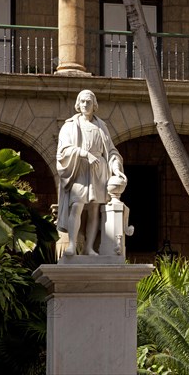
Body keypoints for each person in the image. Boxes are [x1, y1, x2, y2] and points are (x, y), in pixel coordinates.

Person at [56, 89, 126, 256]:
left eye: (88, 102)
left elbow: (111, 151)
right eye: (82, 102)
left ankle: (89, 248)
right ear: (78, 105)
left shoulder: (101, 126)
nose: (85, 104)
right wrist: (84, 153)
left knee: (95, 209)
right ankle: (72, 244)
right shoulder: (70, 125)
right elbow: (63, 149)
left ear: (95, 105)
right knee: (77, 206)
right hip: (80, 167)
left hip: (98, 169)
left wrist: (116, 169)